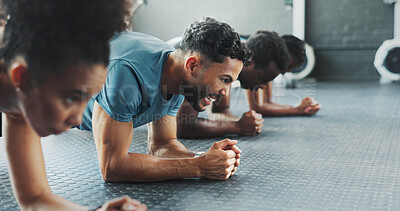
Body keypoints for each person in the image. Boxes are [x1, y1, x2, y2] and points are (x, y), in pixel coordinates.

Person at [0, 0, 146, 210]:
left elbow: (35, 198)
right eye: (70, 98)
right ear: (21, 78)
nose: (77, 119)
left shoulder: (22, 99)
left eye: (87, 98)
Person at [79, 17, 252, 182]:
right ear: (192, 66)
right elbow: (113, 167)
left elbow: (163, 145)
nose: (225, 92)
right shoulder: (126, 73)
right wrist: (199, 167)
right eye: (224, 80)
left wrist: (208, 159)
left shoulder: (178, 74)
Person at [177, 31, 320, 139]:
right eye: (262, 78)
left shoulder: (235, 67)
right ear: (250, 61)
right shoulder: (220, 60)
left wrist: (243, 123)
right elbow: (184, 127)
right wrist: (237, 126)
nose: (262, 86)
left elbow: (220, 112)